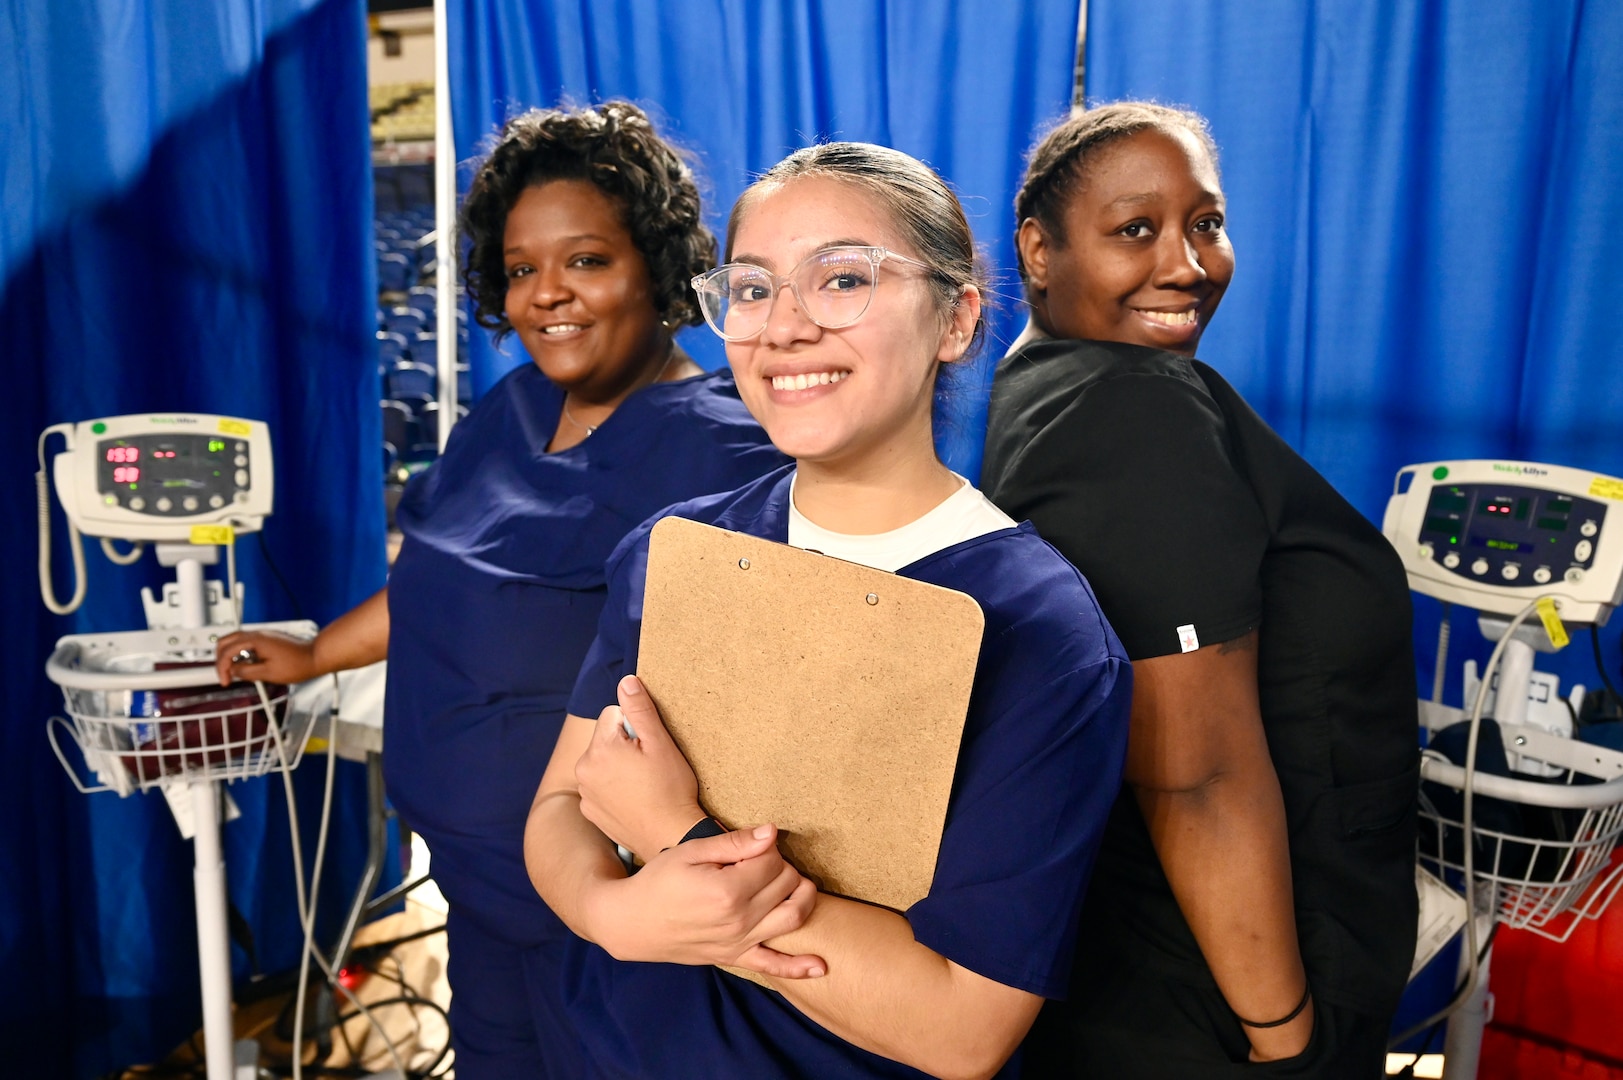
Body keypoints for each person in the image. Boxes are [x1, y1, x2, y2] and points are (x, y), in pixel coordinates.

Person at [522, 142, 1133, 1079]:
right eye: (755, 288)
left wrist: (673, 842)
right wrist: (611, 913)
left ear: (957, 318)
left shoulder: (1038, 630)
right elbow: (561, 803)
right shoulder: (676, 549)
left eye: (842, 279)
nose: (784, 327)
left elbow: (961, 1029)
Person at [213, 102, 786, 1077]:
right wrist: (313, 656)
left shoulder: (727, 446)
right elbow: (436, 575)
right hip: (478, 895)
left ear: (654, 263)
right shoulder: (510, 409)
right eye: (523, 269)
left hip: (613, 927)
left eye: (587, 261)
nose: (546, 295)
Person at [980, 102, 1419, 1077]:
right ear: (1038, 252)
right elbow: (1198, 777)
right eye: (1135, 229)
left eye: (1207, 224)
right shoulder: (1135, 407)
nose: (1186, 264)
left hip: (1134, 948)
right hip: (1224, 990)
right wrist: (1287, 1035)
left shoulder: (1028, 388)